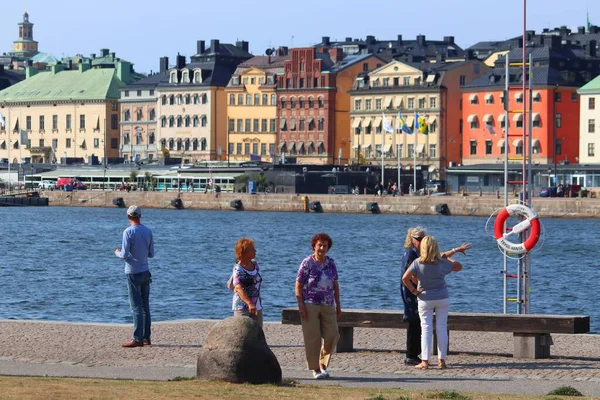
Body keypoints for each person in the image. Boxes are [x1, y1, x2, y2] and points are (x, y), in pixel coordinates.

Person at [400, 227, 470, 366]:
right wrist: (446, 256)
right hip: (442, 298)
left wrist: (414, 291)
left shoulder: (417, 262)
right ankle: (441, 360)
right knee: (441, 328)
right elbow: (458, 266)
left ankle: (425, 361)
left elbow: (405, 278)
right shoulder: (442, 263)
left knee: (425, 328)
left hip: (425, 298)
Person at [295, 233, 341, 380]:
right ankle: (316, 368)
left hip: (328, 304)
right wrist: (301, 305)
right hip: (310, 304)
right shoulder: (307, 262)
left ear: (328, 248)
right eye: (319, 245)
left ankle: (323, 363)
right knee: (313, 338)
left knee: (333, 335)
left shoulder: (331, 263)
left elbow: (335, 285)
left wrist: (338, 304)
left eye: (325, 246)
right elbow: (298, 285)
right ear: (314, 246)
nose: (322, 248)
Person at [115, 205, 155, 348]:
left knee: (136, 307)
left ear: (128, 217)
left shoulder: (128, 232)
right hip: (145, 271)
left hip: (132, 272)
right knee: (145, 306)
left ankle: (137, 338)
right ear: (140, 216)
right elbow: (151, 254)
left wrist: (117, 252)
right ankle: (146, 337)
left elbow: (124, 254)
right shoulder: (148, 231)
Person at [232, 237, 263, 327]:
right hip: (242, 307)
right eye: (252, 249)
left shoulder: (255, 265)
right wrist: (249, 304)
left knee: (257, 333)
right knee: (242, 332)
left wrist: (254, 305)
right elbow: (238, 288)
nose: (255, 251)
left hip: (257, 305)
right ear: (244, 252)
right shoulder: (238, 269)